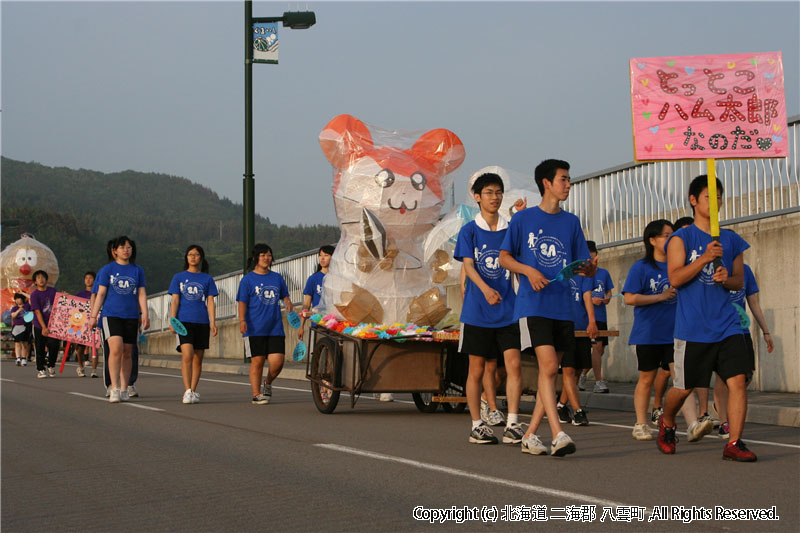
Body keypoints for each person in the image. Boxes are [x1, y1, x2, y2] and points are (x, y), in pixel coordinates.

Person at [499, 159, 596, 457]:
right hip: (533, 304)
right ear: (546, 183)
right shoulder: (523, 219)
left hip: (563, 306)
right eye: (563, 179)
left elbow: (585, 268)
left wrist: (588, 269)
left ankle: (529, 434)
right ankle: (558, 433)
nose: (568, 185)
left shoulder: (571, 222)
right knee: (549, 367)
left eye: (569, 180)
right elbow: (505, 257)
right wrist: (529, 271)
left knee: (551, 374)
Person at [658, 175, 756, 461]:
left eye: (720, 198)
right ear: (693, 201)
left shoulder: (731, 239)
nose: (716, 203)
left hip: (728, 324)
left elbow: (740, 281)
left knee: (738, 381)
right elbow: (675, 278)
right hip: (694, 328)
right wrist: (702, 259)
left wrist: (728, 279)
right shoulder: (681, 239)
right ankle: (666, 421)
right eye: (709, 198)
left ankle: (734, 442)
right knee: (683, 387)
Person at [454, 172, 526, 445]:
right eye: (488, 193)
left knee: (514, 365)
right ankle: (476, 424)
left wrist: (522, 216)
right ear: (477, 197)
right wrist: (485, 290)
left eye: (498, 192)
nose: (494, 198)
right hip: (477, 310)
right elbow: (469, 266)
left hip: (509, 309)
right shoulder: (469, 231)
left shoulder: (511, 228)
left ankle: (512, 423)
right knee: (476, 370)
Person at [622, 219, 677, 441]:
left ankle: (681, 421)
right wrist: (660, 297)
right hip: (649, 333)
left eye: (672, 234)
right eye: (665, 235)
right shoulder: (641, 268)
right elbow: (629, 298)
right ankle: (641, 423)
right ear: (652, 240)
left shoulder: (678, 266)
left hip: (676, 333)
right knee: (646, 379)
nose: (670, 238)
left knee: (681, 379)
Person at [715, 263, 774, 437]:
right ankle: (724, 421)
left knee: (746, 376)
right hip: (720, 331)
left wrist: (766, 331)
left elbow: (753, 302)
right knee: (723, 376)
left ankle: (722, 405)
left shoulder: (744, 270)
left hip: (740, 329)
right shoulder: (714, 268)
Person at [88, 236, 149, 403]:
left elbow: (142, 294)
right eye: (122, 247)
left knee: (128, 353)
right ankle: (114, 387)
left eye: (129, 247)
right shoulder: (107, 270)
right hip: (111, 315)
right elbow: (100, 294)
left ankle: (124, 388)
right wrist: (93, 316)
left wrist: (145, 314)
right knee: (116, 349)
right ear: (114, 251)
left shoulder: (137, 270)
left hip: (131, 316)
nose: (126, 250)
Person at [237, 243, 294, 405]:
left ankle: (267, 383)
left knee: (278, 361)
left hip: (275, 326)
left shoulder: (277, 277)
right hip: (254, 327)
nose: (266, 258)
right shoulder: (247, 280)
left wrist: (288, 303)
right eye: (262, 255)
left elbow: (285, 296)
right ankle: (256, 394)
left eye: (268, 255)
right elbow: (242, 302)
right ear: (256, 258)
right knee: (258, 361)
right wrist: (242, 320)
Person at [168, 245, 218, 404]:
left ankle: (193, 390)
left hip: (202, 321)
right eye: (190, 254)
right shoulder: (178, 277)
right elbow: (175, 300)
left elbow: (210, 301)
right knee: (187, 354)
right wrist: (172, 320)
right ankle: (187, 389)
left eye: (196, 254)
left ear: (201, 258)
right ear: (186, 257)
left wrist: (213, 322)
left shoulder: (207, 279)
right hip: (184, 321)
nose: (193, 257)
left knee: (198, 358)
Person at [556, 275, 596, 426]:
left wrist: (592, 322)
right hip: (564, 328)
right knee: (569, 370)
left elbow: (587, 297)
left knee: (579, 370)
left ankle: (561, 405)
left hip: (581, 328)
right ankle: (578, 411)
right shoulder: (561, 272)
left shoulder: (584, 275)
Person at [578, 241, 614, 393]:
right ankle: (599, 381)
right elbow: (582, 296)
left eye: (592, 258)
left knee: (600, 350)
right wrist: (593, 300)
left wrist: (607, 297)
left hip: (602, 316)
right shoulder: (582, 274)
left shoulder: (604, 273)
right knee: (596, 348)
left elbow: (609, 291)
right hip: (588, 317)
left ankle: (582, 375)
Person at [30, 270, 60, 378]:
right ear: (35, 282)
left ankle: (51, 365)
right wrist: (43, 327)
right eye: (38, 278)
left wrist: (65, 296)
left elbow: (60, 303)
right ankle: (41, 369)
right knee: (40, 347)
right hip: (39, 325)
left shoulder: (53, 291)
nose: (41, 280)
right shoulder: (34, 295)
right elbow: (37, 311)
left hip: (53, 325)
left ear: (46, 279)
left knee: (54, 345)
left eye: (43, 277)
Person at [73, 271, 96, 377]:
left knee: (95, 347)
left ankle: (94, 370)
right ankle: (81, 367)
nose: (88, 280)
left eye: (90, 278)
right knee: (80, 348)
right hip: (82, 325)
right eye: (86, 278)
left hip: (95, 323)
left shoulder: (98, 293)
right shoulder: (80, 294)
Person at [10, 293, 31, 367]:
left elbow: (31, 298)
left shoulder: (27, 306)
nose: (18, 300)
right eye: (16, 299)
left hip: (26, 326)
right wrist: (19, 310)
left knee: (25, 343)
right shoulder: (14, 308)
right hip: (17, 327)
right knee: (17, 343)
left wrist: (22, 293)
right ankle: (18, 358)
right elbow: (13, 316)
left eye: (19, 298)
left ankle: (24, 358)